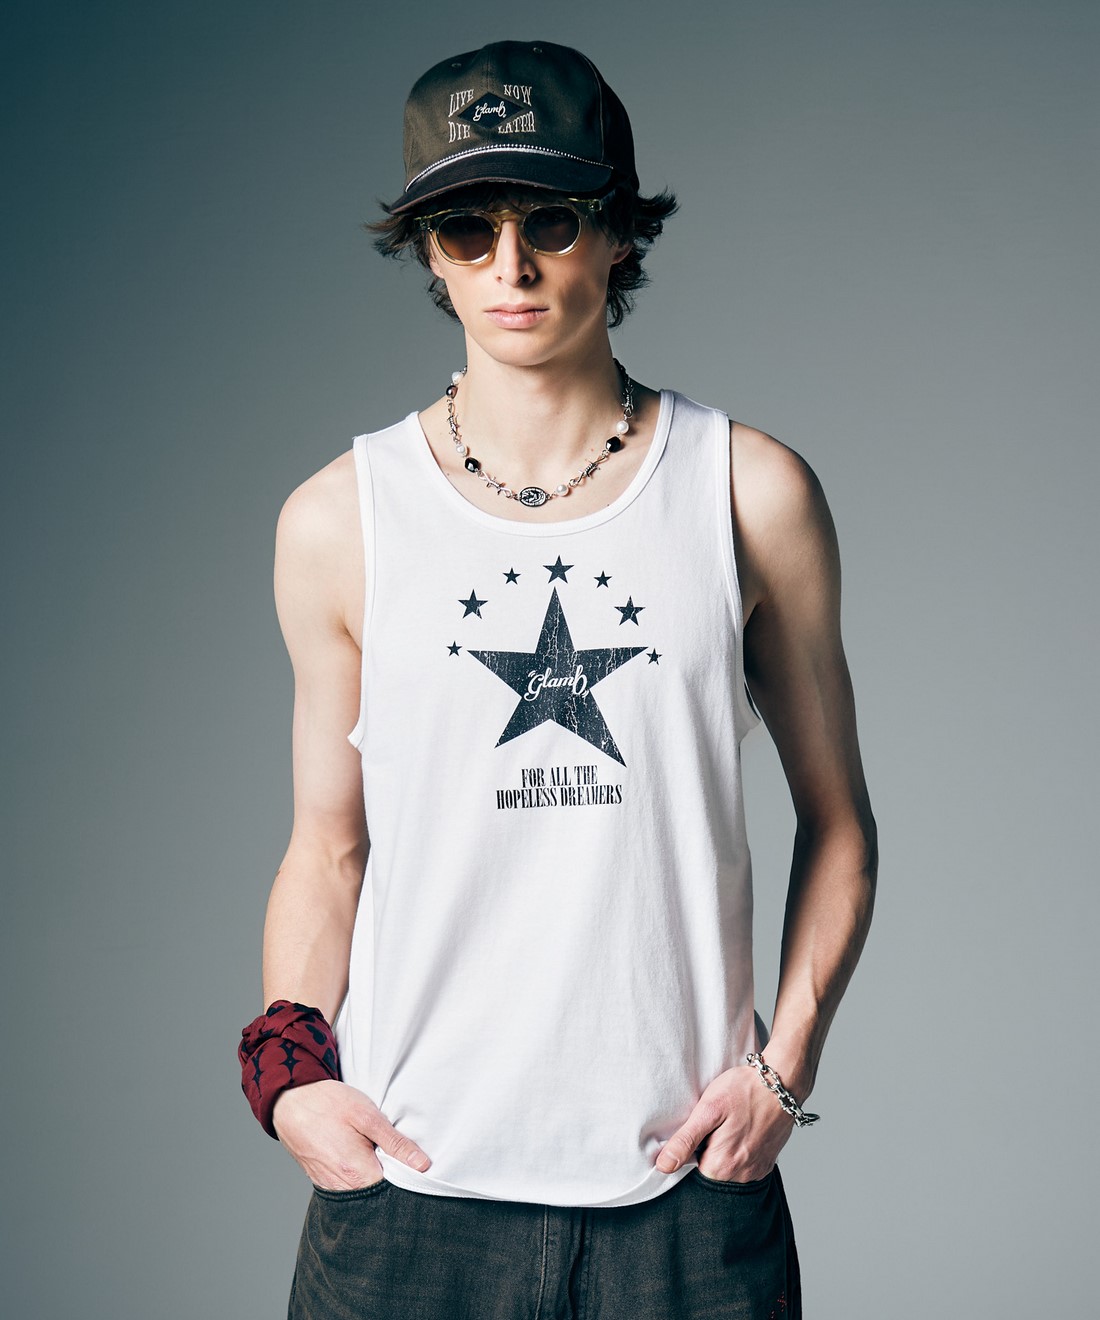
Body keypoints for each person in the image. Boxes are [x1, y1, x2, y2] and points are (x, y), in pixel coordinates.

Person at [239, 38, 877, 1319]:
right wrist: (288, 1077)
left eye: (549, 222)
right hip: (408, 1194)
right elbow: (327, 847)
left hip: (686, 1194)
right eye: (465, 229)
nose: (510, 267)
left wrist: (786, 1064)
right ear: (428, 254)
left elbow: (838, 822)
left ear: (619, 231)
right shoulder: (339, 519)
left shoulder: (748, 492)